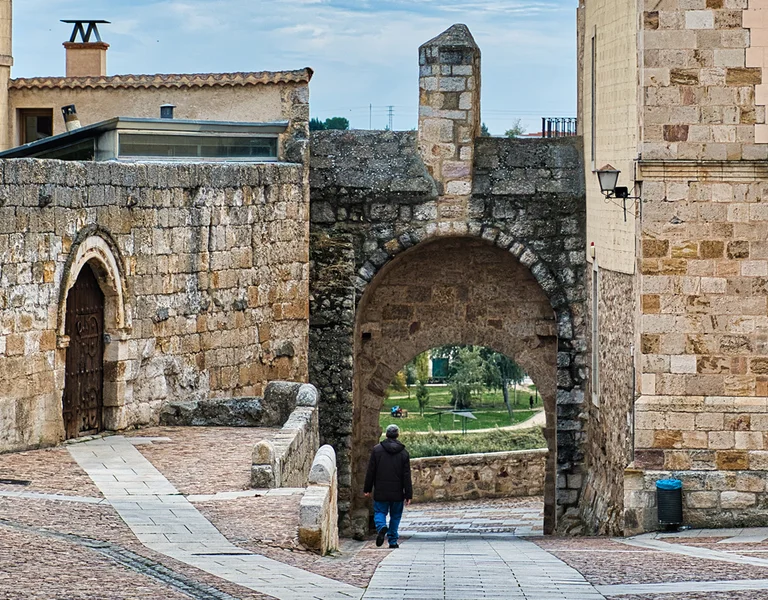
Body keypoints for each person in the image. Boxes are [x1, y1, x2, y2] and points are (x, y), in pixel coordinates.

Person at [363, 423, 413, 549]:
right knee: (395, 516)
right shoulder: (404, 453)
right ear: (397, 435)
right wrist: (408, 494)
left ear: (386, 434)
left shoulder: (377, 450)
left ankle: (381, 527)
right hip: (397, 492)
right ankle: (393, 541)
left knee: (379, 511)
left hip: (381, 490)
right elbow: (406, 476)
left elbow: (371, 471)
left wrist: (367, 488)